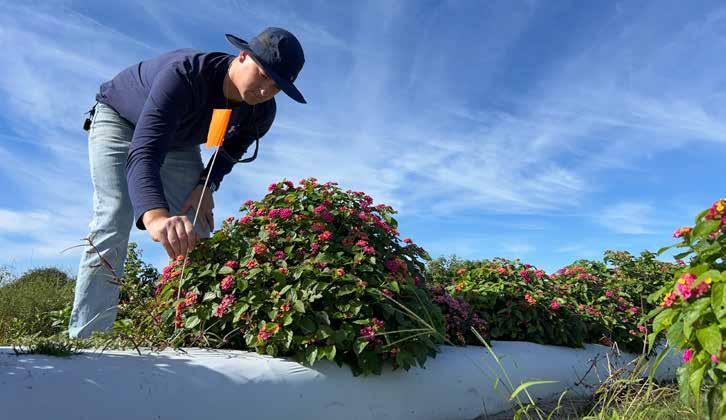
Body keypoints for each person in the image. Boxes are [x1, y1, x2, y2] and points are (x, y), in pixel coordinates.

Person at [68, 27, 306, 339]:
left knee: (198, 222)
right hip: (121, 120)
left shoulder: (261, 112)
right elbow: (145, 152)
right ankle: (88, 338)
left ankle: (197, 332)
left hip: (179, 141)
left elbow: (229, 150)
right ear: (243, 56)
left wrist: (207, 185)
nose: (264, 90)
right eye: (262, 75)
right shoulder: (184, 75)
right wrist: (155, 217)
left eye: (276, 87)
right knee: (115, 215)